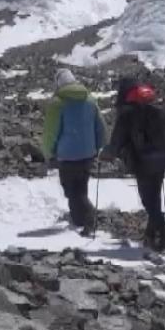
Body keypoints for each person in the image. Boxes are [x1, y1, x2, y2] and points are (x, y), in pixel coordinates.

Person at [105, 76, 165, 251]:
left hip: (143, 161)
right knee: (154, 197)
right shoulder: (159, 106)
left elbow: (117, 140)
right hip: (163, 158)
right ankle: (150, 237)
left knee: (148, 200)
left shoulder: (127, 111)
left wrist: (108, 153)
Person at [39, 69, 107, 235]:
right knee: (81, 188)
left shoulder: (58, 103)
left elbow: (50, 132)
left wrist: (48, 152)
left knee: (71, 190)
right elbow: (101, 126)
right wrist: (99, 146)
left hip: (67, 155)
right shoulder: (90, 100)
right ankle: (79, 219)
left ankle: (89, 217)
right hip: (88, 154)